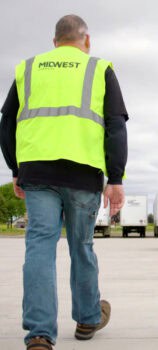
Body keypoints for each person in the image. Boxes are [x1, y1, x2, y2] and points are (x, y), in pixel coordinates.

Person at [0, 14, 128, 350]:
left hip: (38, 174)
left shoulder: (29, 68)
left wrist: (15, 168)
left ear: (54, 41)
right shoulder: (99, 68)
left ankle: (40, 333)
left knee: (39, 248)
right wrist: (115, 178)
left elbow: (7, 122)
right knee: (81, 246)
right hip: (83, 175)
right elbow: (115, 125)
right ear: (87, 40)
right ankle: (87, 319)